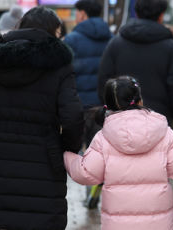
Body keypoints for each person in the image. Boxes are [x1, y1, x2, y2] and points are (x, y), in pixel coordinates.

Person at [0, 6, 84, 230]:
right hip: (43, 160)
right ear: (53, 31)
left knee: (1, 221)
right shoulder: (59, 64)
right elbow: (72, 116)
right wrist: (66, 149)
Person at [64, 76, 173, 230]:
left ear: (107, 106)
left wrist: (68, 156)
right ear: (140, 100)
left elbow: (86, 173)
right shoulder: (164, 132)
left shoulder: (103, 138)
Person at [98, 0, 173, 123]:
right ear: (161, 15)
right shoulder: (171, 47)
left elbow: (104, 81)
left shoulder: (116, 44)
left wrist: (112, 108)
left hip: (121, 119)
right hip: (159, 120)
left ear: (136, 13)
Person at [64, 0, 112, 146]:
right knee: (100, 149)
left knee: (77, 149)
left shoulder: (72, 40)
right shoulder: (111, 38)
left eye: (76, 13)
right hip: (105, 105)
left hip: (79, 104)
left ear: (83, 14)